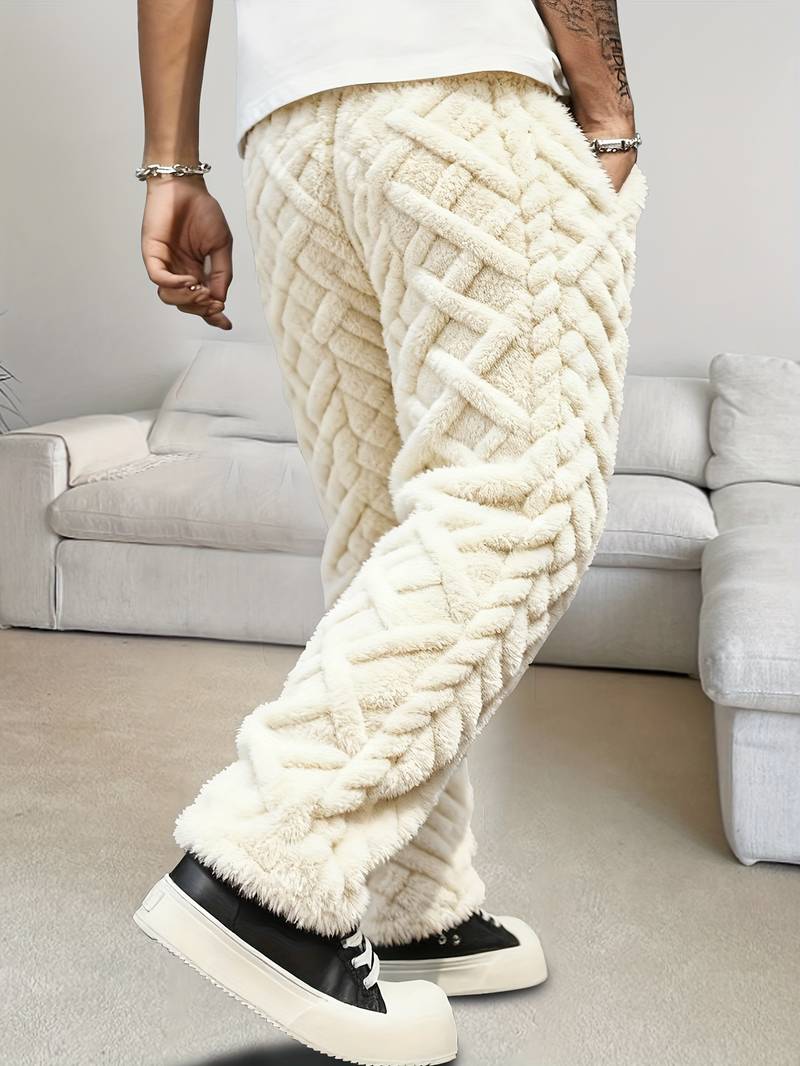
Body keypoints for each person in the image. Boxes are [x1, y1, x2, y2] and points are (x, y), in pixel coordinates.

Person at [134, 2, 645, 1062]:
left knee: (382, 532)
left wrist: (170, 166)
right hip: (462, 90)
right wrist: (607, 113)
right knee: (526, 500)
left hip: (290, 140)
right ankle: (267, 862)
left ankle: (411, 899)